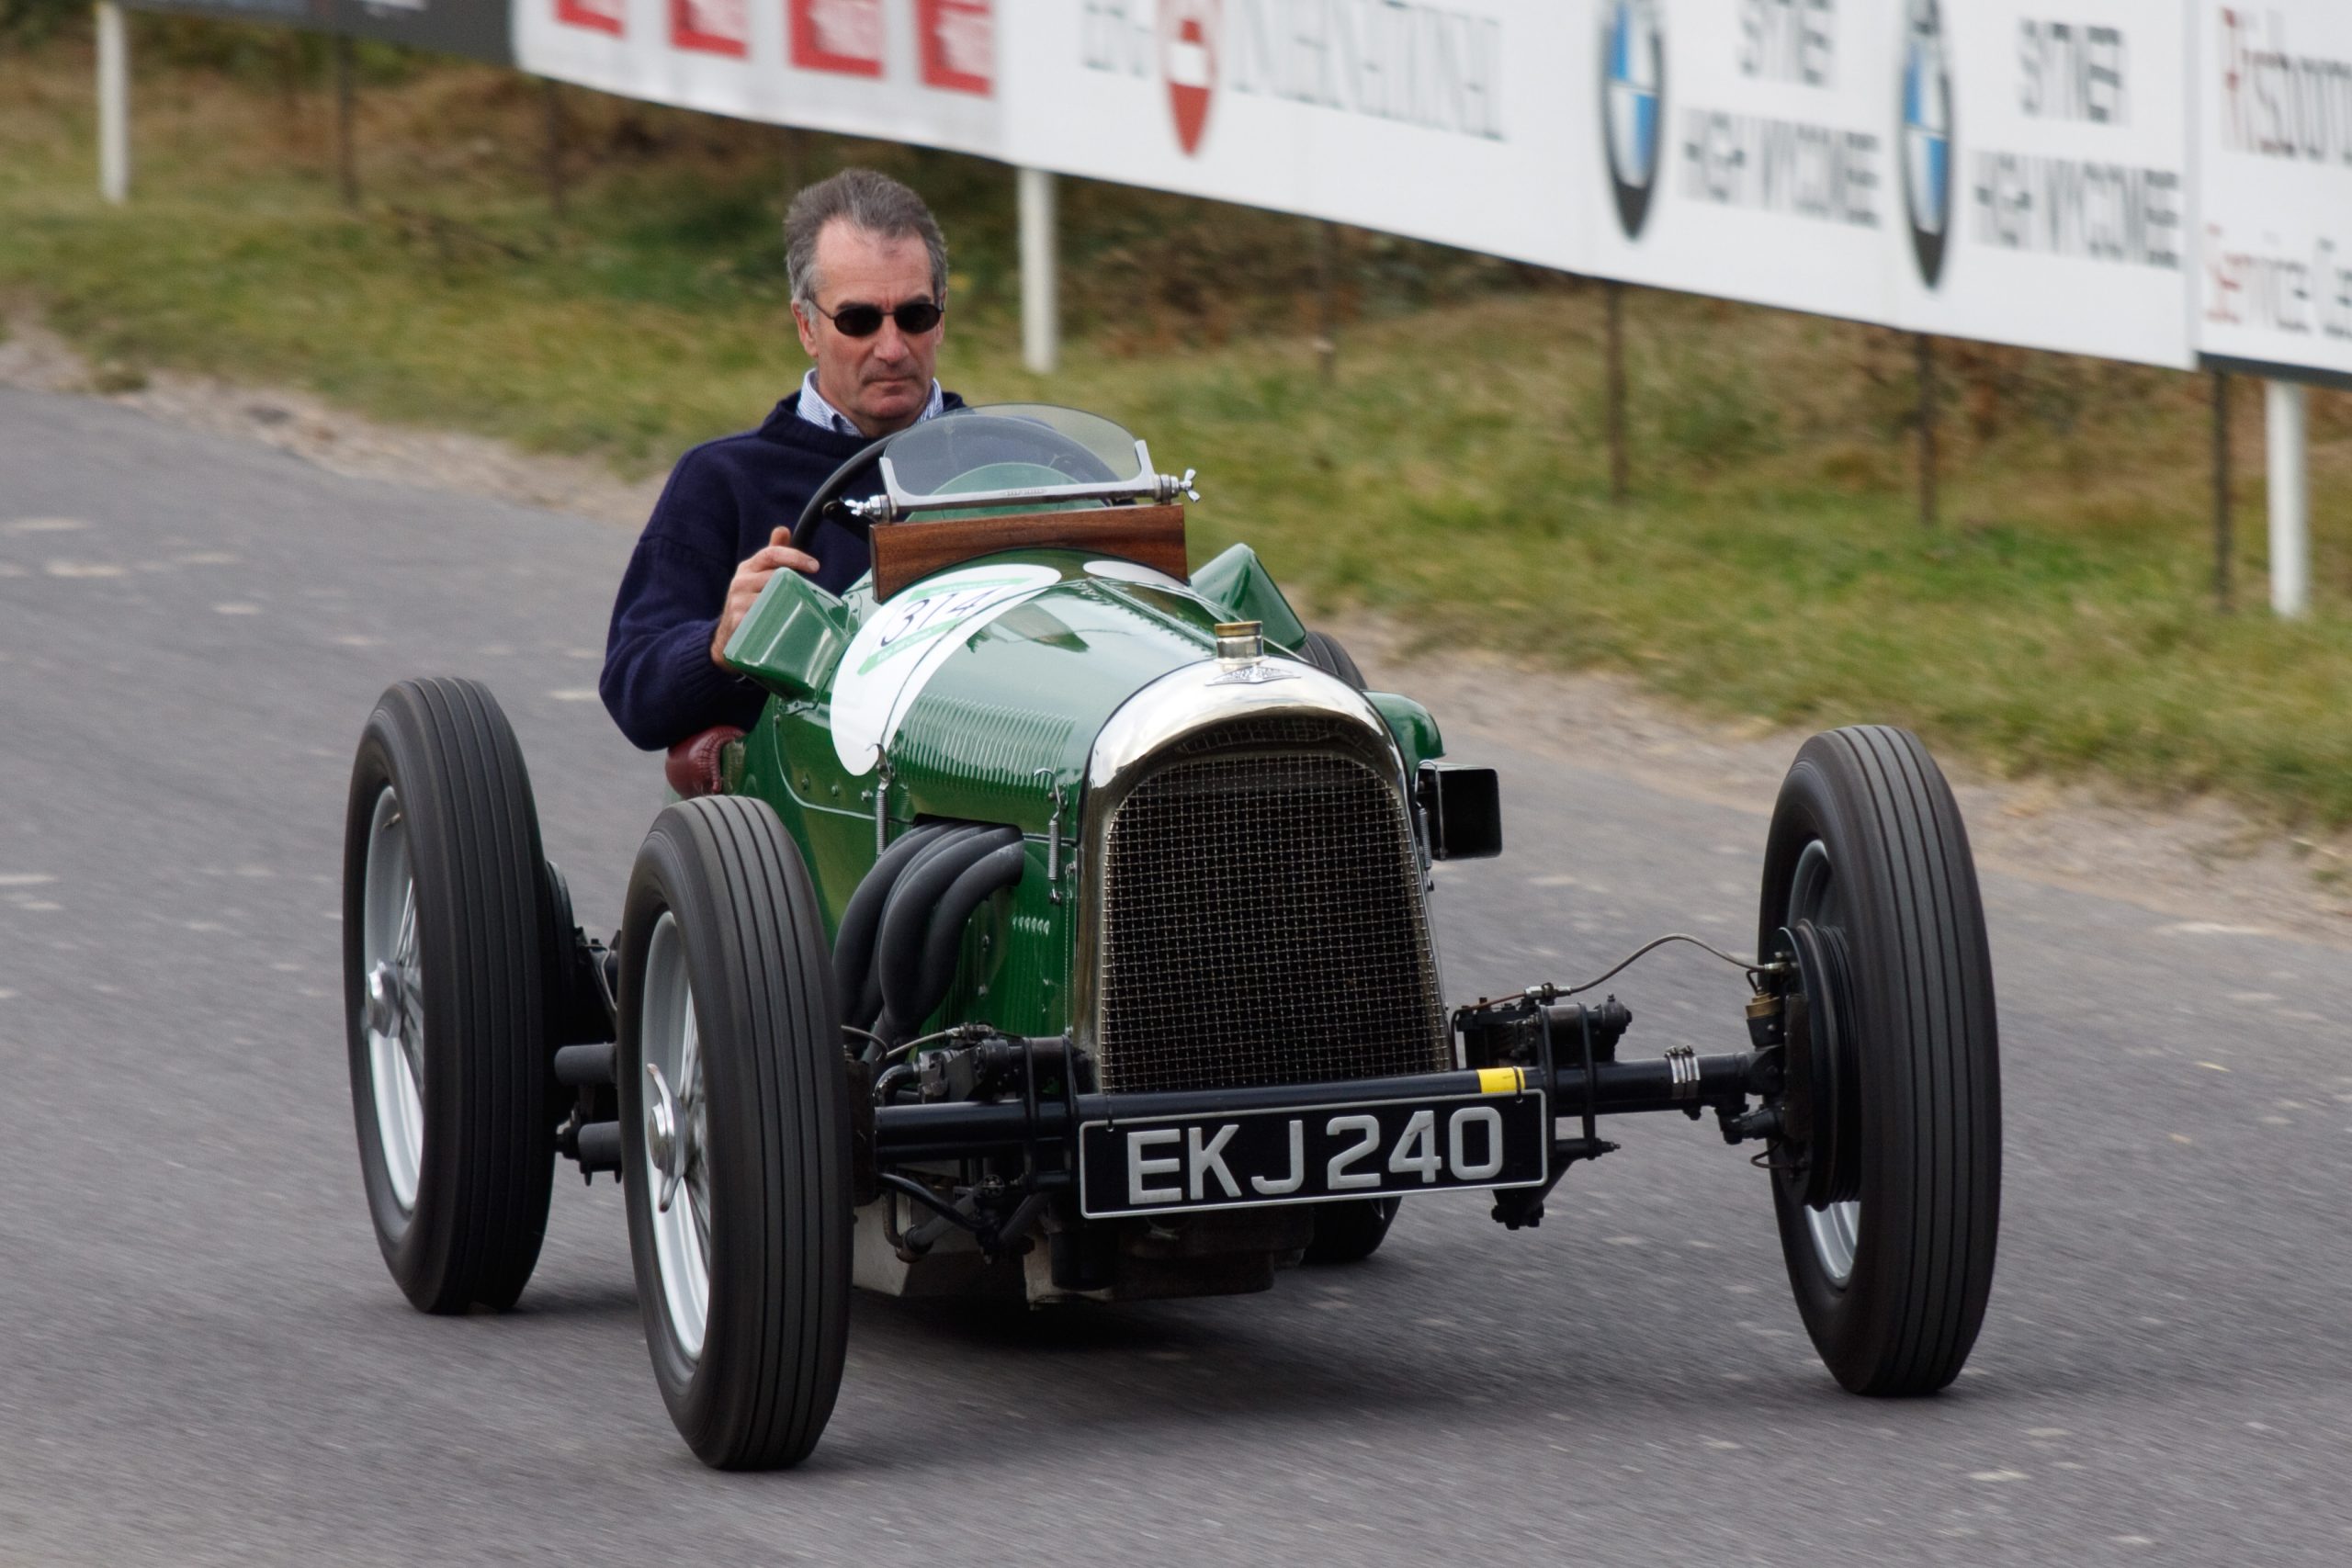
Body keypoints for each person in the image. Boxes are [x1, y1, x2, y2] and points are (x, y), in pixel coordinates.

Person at [599, 168, 964, 753]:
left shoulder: (1025, 466)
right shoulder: (723, 482)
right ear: (807, 326)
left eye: (914, 317)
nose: (892, 348)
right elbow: (634, 690)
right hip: (810, 812)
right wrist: (719, 643)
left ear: (940, 317)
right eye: (859, 320)